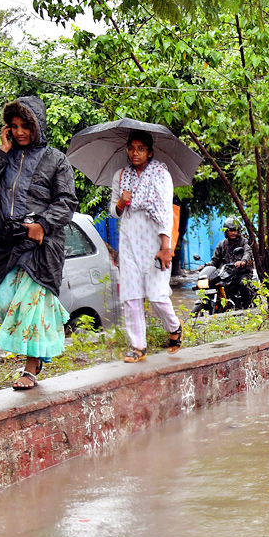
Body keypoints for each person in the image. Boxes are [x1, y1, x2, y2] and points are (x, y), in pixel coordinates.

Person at [0, 97, 77, 391]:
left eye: (25, 126)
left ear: (37, 126)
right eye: (14, 127)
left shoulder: (56, 160)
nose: (19, 133)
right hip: (7, 244)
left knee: (32, 305)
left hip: (42, 245)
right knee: (6, 302)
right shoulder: (5, 155)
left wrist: (40, 225)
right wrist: (2, 150)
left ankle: (30, 368)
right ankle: (38, 355)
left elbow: (67, 202)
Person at [111, 129, 183, 363]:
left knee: (157, 295)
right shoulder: (120, 176)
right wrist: (122, 202)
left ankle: (174, 327)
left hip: (155, 239)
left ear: (150, 152)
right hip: (129, 239)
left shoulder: (160, 174)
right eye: (131, 148)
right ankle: (137, 345)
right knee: (131, 296)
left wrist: (166, 247)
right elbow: (113, 211)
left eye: (141, 149)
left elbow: (164, 211)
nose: (135, 153)